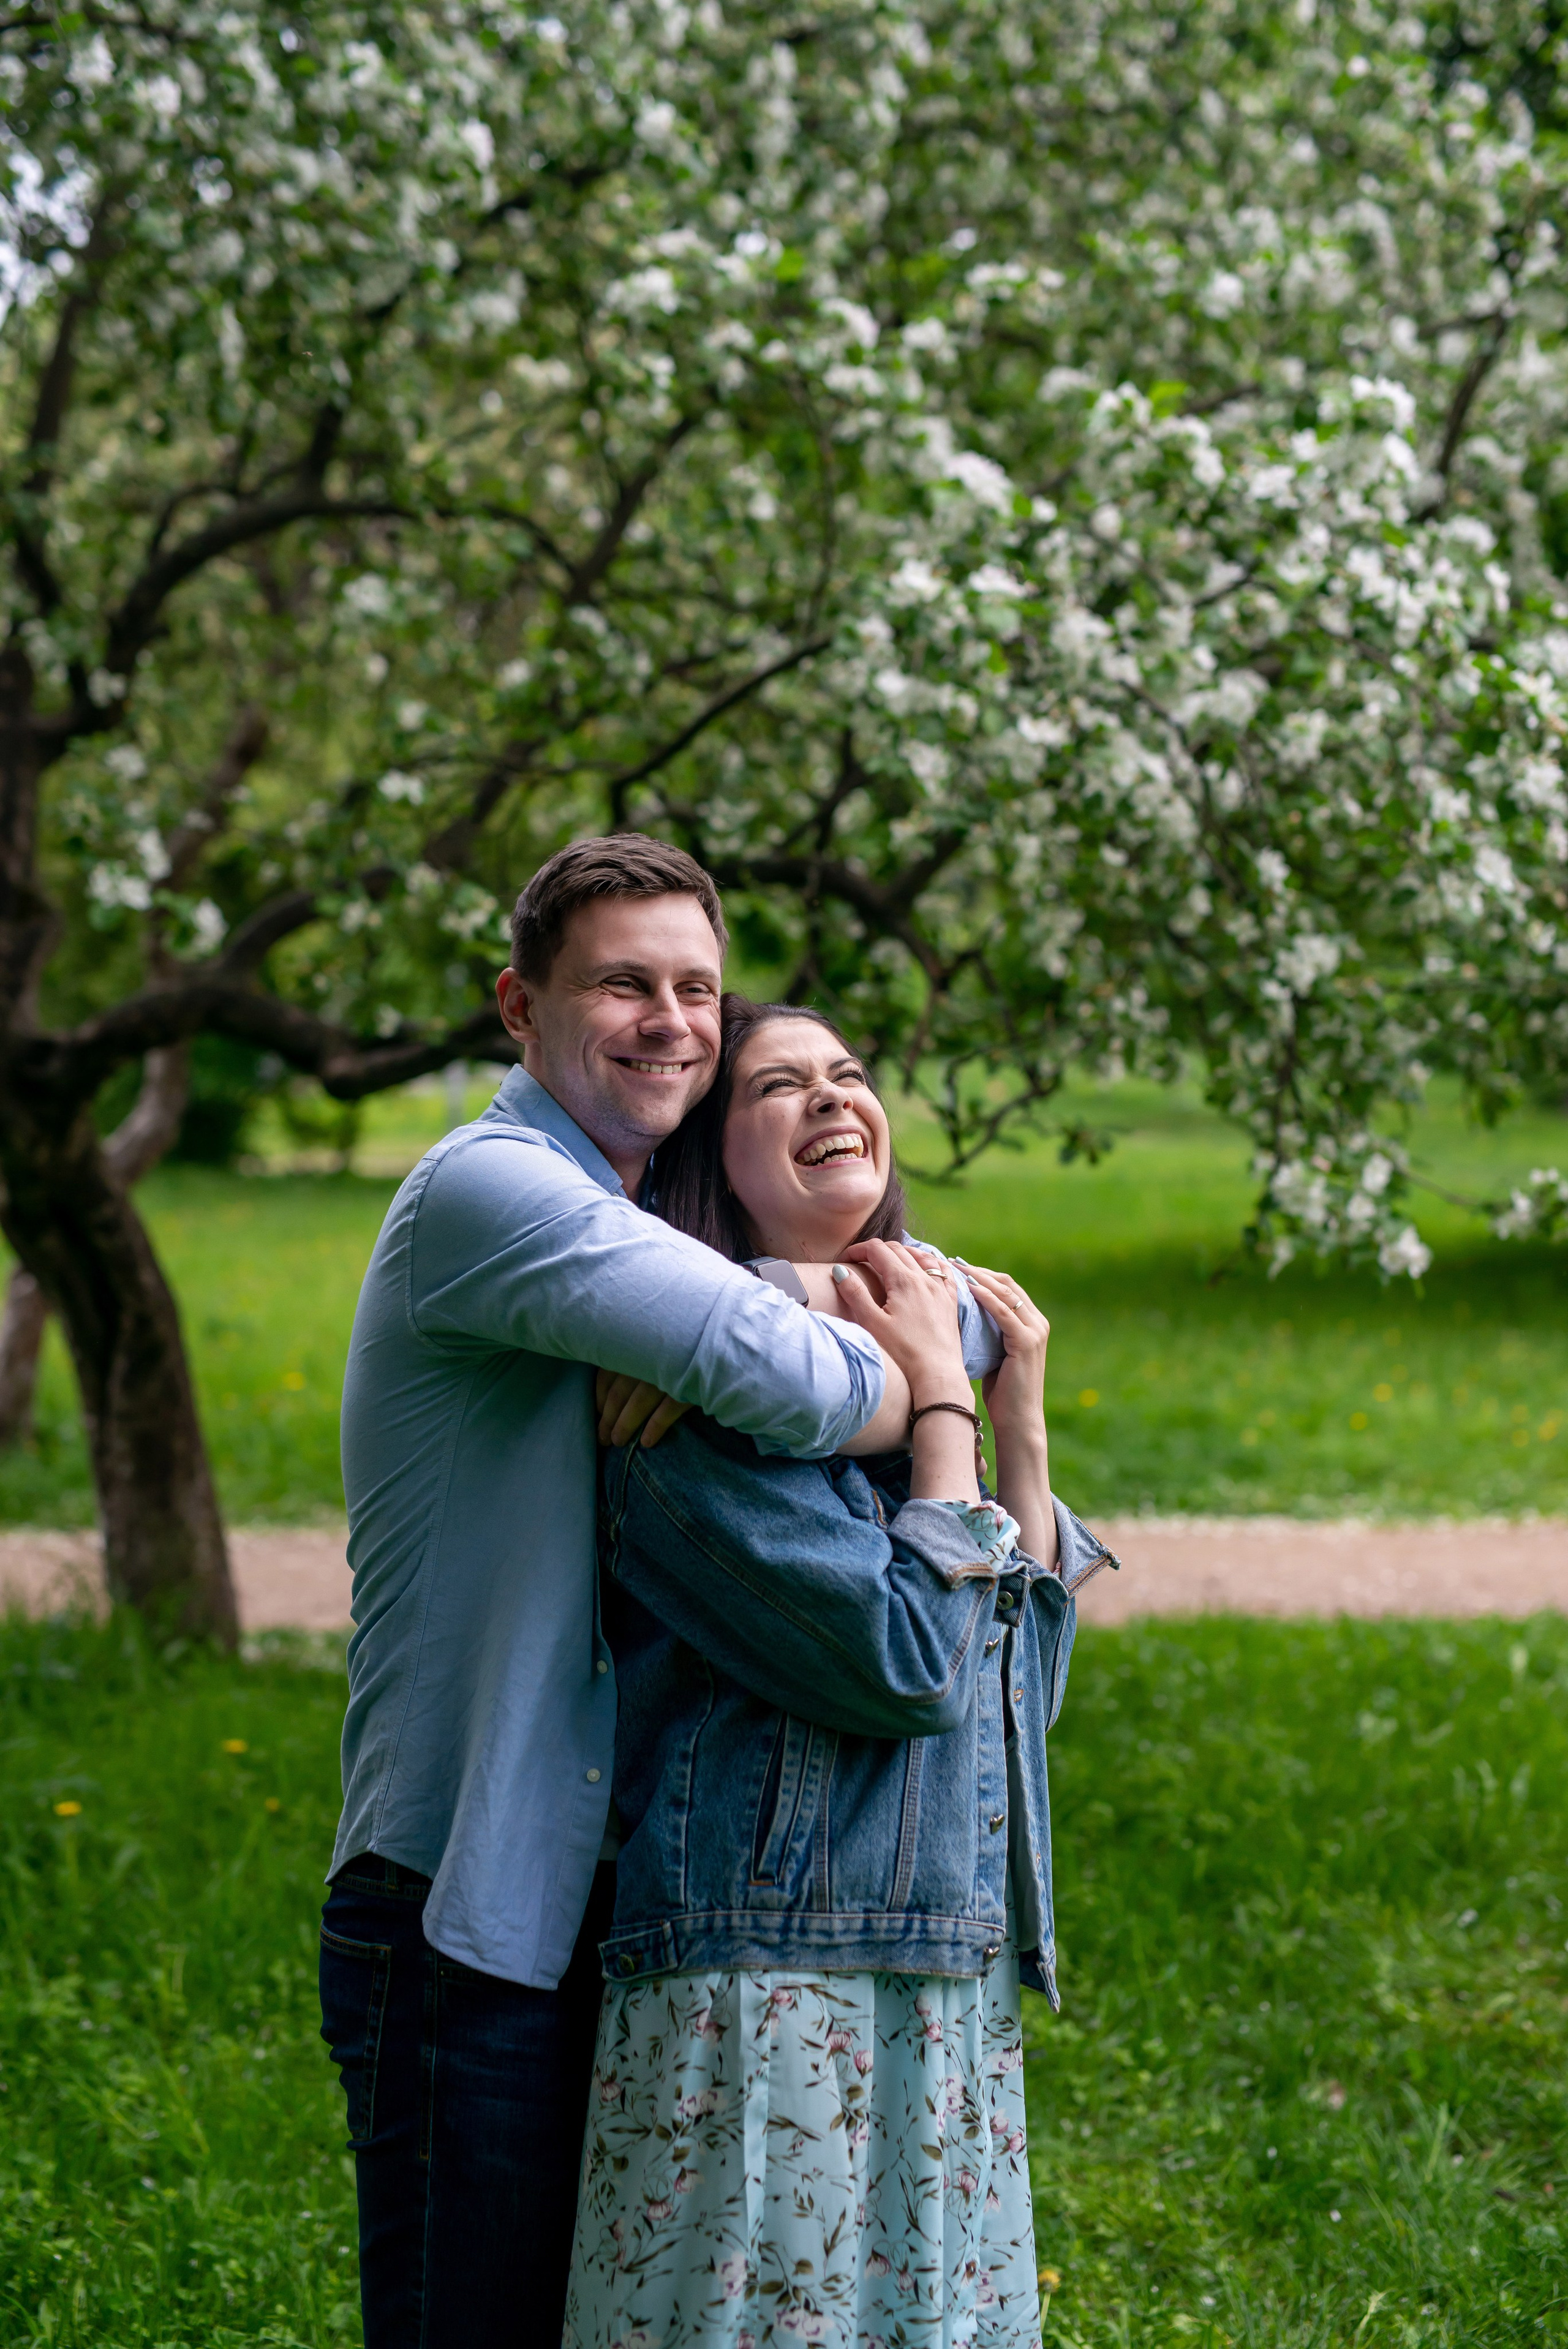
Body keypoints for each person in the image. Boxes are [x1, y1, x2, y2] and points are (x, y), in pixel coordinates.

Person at [318, 846, 921, 2349]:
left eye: (696, 988)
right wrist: (872, 1349)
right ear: (519, 1006)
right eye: (622, 983)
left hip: (607, 1905)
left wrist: (783, 1300)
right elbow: (814, 1381)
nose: (670, 1020)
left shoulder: (635, 1225)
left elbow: (883, 1302)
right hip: (464, 1907)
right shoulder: (494, 1190)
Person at [565, 997, 1118, 2349]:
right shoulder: (682, 1423)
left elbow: (1011, 1700)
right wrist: (942, 1403)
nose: (830, 1098)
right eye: (776, 1086)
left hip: (938, 1969)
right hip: (763, 1985)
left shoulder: (915, 1382)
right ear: (711, 1162)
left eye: (848, 1075)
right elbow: (911, 1665)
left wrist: (1014, 1425)